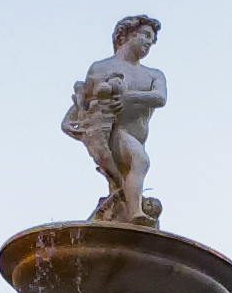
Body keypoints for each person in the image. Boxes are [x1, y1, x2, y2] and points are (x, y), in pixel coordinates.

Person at [61, 16, 169, 224]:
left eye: (152, 40)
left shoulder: (154, 75)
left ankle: (120, 213)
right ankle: (135, 213)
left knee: (123, 182)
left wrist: (130, 97)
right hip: (110, 132)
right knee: (141, 161)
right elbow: (86, 100)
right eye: (145, 36)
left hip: (136, 136)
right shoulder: (101, 68)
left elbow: (160, 98)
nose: (149, 43)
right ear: (125, 36)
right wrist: (67, 120)